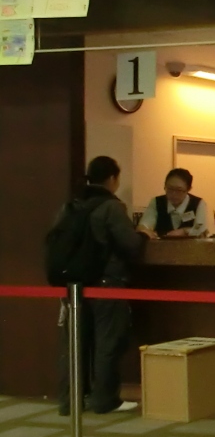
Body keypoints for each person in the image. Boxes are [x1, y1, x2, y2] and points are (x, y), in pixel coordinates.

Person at [52, 156, 145, 414]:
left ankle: (70, 401)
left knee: (75, 344)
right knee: (107, 342)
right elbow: (130, 245)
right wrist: (142, 235)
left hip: (73, 285)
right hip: (106, 282)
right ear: (113, 178)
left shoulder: (71, 205)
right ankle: (104, 400)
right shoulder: (111, 207)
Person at [138, 167, 209, 239]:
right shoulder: (157, 202)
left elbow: (201, 231)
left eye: (179, 190)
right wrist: (145, 231)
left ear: (188, 189)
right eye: (170, 189)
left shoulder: (198, 203)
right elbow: (143, 226)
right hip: (161, 245)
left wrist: (185, 231)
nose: (174, 194)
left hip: (190, 246)